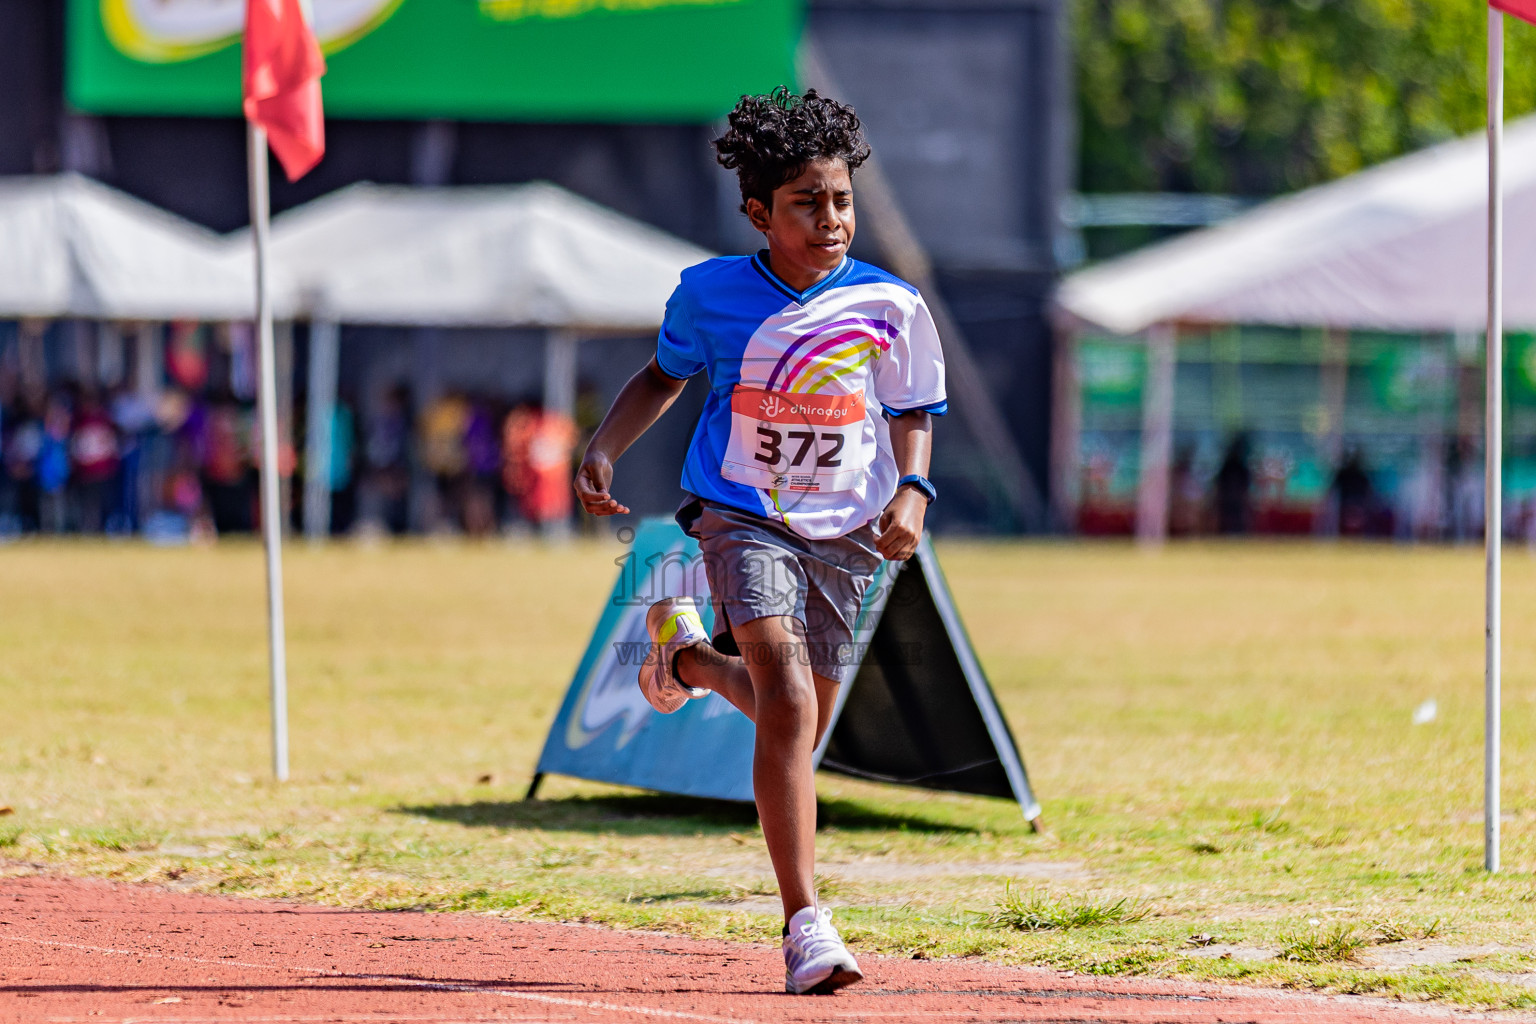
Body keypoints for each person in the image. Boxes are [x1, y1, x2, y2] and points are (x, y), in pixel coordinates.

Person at [573, 88, 944, 996]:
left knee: (798, 722)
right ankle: (806, 925)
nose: (830, 220)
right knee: (784, 698)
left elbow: (914, 410)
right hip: (743, 516)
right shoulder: (711, 295)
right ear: (758, 213)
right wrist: (603, 446)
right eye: (805, 204)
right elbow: (661, 377)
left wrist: (913, 491)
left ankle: (686, 659)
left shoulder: (890, 304)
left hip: (847, 533)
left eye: (841, 200)